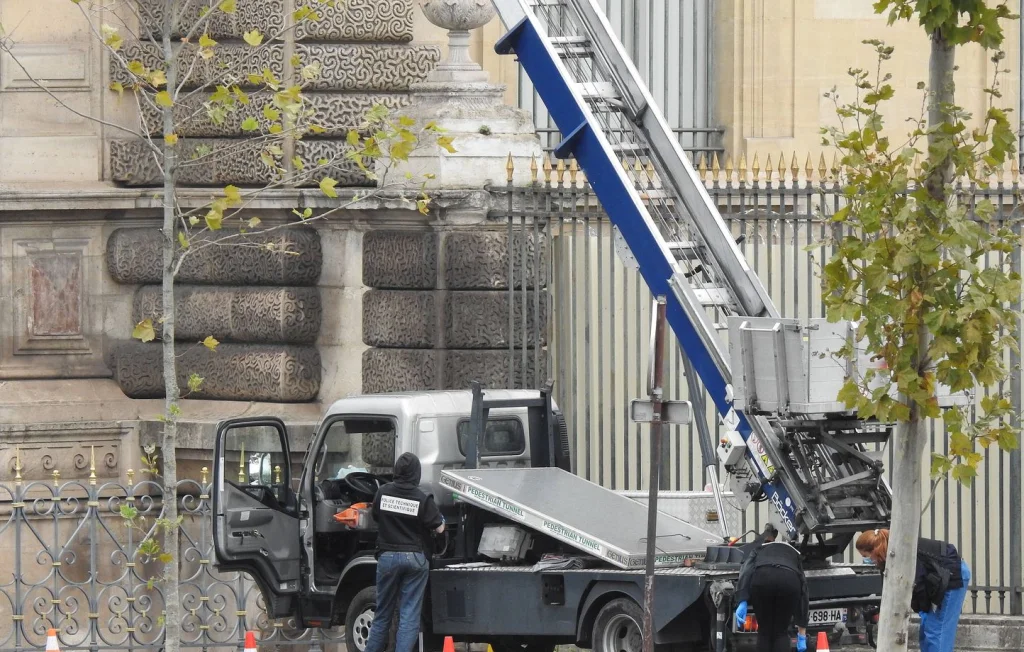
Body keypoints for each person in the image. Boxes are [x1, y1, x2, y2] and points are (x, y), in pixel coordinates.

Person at [363, 452, 445, 652]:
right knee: (409, 614)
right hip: (415, 558)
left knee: (382, 613)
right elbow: (439, 528)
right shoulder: (421, 498)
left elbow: (375, 516)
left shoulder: (382, 493)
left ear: (397, 471)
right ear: (416, 473)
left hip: (388, 557)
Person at [855, 529, 970, 652]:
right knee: (927, 631)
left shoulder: (901, 552)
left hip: (951, 576)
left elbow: (918, 585)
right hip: (938, 577)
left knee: (937, 631)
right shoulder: (889, 553)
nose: (867, 560)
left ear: (874, 550)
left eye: (865, 556)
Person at [734, 524, 809, 652]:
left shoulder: (758, 549)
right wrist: (802, 633)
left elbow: (746, 571)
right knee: (781, 631)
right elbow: (803, 589)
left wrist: (742, 599)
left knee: (764, 631)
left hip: (763, 579)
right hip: (788, 580)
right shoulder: (793, 553)